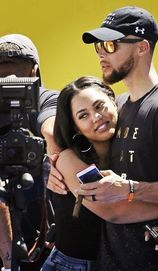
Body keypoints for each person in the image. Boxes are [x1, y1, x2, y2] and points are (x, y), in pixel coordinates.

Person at [70, 6, 158, 271]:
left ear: (142, 47)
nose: (102, 52)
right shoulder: (118, 105)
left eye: (111, 44)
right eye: (99, 45)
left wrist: (130, 189)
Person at [43, 75, 158, 271]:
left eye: (99, 106)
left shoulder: (132, 150)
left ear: (113, 101)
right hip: (72, 265)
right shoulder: (68, 159)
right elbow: (114, 210)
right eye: (83, 115)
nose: (96, 117)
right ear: (76, 128)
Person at [0, 34, 58, 271]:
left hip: (44, 233)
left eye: (15, 71)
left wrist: (53, 153)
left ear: (34, 72)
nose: (9, 80)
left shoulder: (47, 98)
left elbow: (52, 128)